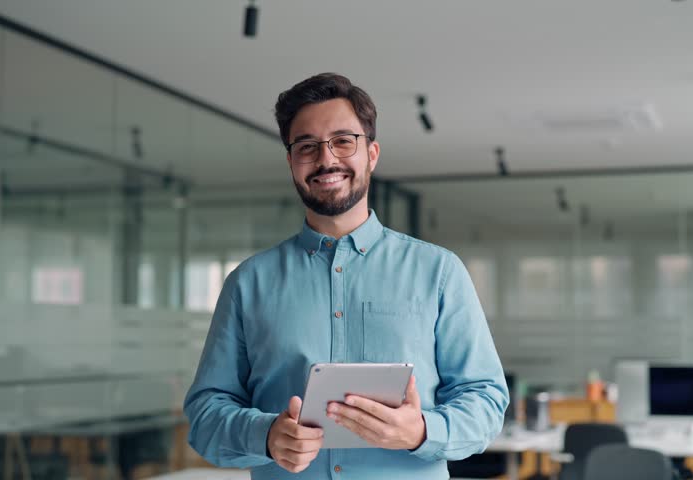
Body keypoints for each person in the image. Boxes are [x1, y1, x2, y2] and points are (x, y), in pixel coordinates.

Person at [184, 72, 508, 479]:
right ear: (290, 162)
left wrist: (424, 431)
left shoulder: (439, 272)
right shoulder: (248, 284)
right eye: (307, 146)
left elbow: (485, 399)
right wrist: (264, 435)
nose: (326, 159)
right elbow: (205, 415)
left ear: (371, 153)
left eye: (342, 141)